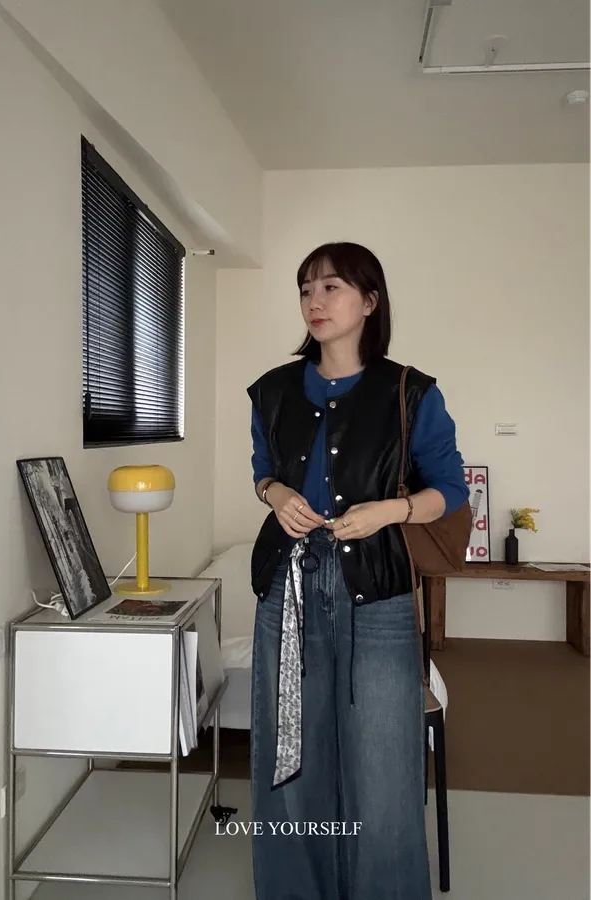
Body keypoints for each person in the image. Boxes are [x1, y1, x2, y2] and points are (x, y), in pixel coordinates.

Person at [247, 241, 468, 900]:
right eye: (305, 290)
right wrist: (275, 495)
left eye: (331, 287)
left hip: (377, 591)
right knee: (290, 759)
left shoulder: (411, 391)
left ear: (370, 301)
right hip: (286, 587)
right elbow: (262, 471)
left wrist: (390, 511)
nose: (314, 302)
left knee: (383, 763)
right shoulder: (273, 391)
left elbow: (450, 490)